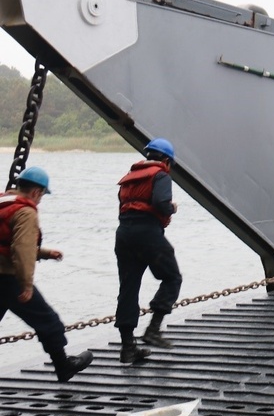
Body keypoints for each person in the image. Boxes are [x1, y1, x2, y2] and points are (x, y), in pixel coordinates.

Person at [0, 167, 93, 382]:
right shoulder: (25, 212)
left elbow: (7, 242)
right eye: (41, 195)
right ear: (36, 192)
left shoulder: (4, 203)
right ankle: (64, 366)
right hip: (9, 278)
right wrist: (26, 285)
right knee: (48, 321)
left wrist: (44, 253)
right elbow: (22, 251)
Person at [115, 138, 183, 363]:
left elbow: (123, 207)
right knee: (172, 277)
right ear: (166, 160)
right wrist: (171, 208)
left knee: (128, 288)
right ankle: (153, 329)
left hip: (124, 234)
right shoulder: (161, 175)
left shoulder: (128, 178)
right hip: (148, 234)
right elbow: (161, 203)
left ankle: (127, 348)